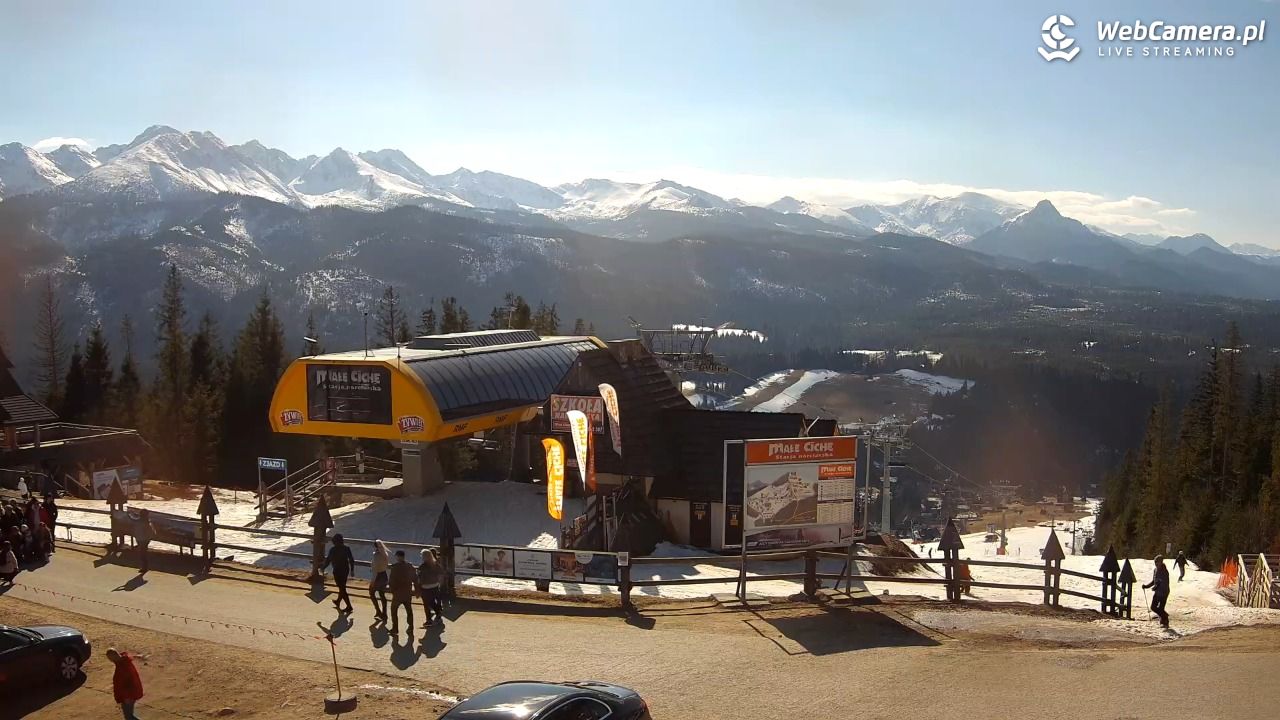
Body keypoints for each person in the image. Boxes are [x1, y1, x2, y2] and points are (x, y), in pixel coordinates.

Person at [107, 648, 145, 720]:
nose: (110, 660)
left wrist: (127, 698)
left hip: (128, 696)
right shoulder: (123, 662)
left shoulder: (123, 666)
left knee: (129, 717)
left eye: (110, 658)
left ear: (114, 656)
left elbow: (128, 683)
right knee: (129, 716)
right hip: (128, 695)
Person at [322, 534, 356, 613]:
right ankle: (338, 601)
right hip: (345, 570)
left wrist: (323, 568)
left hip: (337, 571)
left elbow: (328, 560)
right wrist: (352, 570)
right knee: (342, 587)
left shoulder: (333, 550)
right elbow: (351, 559)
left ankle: (349, 606)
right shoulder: (347, 548)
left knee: (342, 588)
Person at [387, 549, 416, 635]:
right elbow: (415, 578)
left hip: (398, 593)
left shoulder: (395, 567)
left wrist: (392, 590)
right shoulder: (410, 566)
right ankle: (410, 627)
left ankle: (395, 628)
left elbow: (392, 581)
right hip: (407, 592)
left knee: (394, 610)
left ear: (398, 557)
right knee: (409, 610)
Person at [417, 548, 444, 627]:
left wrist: (418, 587)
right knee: (432, 602)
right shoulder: (435, 564)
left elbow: (419, 578)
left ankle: (429, 620)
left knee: (426, 604)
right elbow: (441, 574)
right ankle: (438, 613)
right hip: (434, 585)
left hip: (425, 587)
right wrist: (439, 583)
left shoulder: (422, 567)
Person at [1143, 555, 1171, 628]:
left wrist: (1156, 587)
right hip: (1157, 592)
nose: (1156, 564)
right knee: (1153, 607)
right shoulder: (1155, 570)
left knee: (1161, 608)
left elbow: (1163, 582)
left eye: (1157, 562)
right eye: (1155, 562)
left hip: (1164, 592)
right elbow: (1154, 581)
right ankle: (1164, 617)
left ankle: (1164, 621)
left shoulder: (1164, 571)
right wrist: (1146, 586)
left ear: (1161, 562)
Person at [368, 539, 390, 622]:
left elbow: (375, 570)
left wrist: (373, 581)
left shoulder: (376, 555)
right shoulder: (385, 554)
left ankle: (378, 610)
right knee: (382, 594)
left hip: (377, 577)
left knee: (371, 592)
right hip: (384, 575)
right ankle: (384, 613)